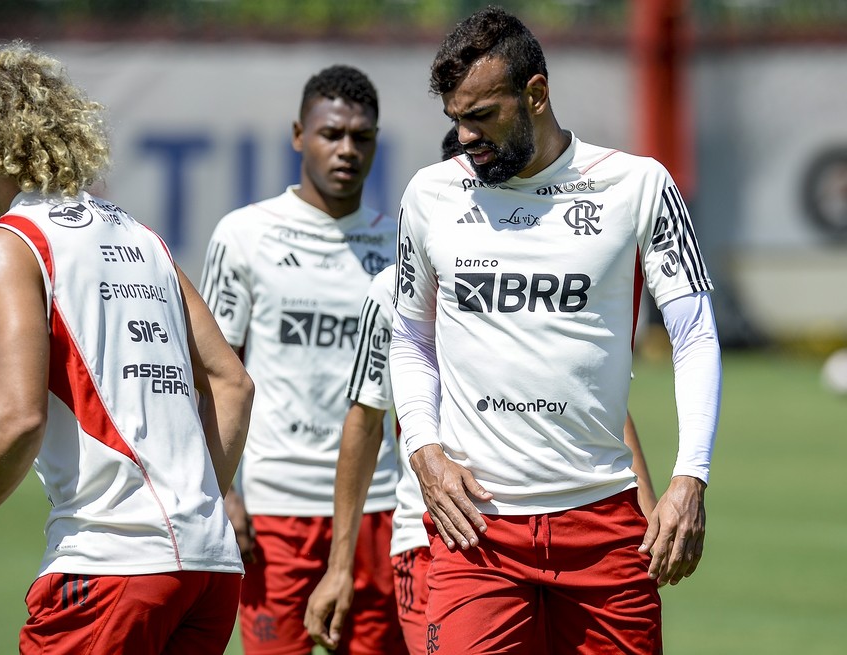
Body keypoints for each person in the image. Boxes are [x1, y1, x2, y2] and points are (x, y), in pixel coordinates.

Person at [0, 42, 254, 655]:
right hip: (208, 569)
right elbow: (233, 382)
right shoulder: (143, 237)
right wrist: (194, 504)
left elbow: (17, 417)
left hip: (110, 567)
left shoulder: (9, 241)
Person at [390, 6, 722, 654]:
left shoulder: (637, 185)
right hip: (476, 530)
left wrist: (690, 475)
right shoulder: (429, 195)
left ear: (536, 93)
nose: (464, 137)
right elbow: (411, 338)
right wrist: (424, 447)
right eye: (455, 120)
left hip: (603, 523)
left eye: (481, 116)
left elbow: (695, 333)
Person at [199, 65, 405, 655]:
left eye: (361, 137)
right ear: (298, 135)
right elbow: (209, 377)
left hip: (377, 510)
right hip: (273, 511)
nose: (347, 150)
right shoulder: (244, 236)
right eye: (331, 133)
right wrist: (223, 492)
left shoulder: (399, 245)